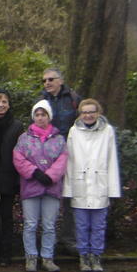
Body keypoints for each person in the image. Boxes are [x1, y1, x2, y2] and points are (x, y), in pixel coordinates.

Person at [64, 99, 121, 272]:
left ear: (98, 113)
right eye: (85, 112)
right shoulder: (74, 131)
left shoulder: (107, 131)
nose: (88, 115)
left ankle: (96, 256)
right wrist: (68, 188)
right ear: (80, 114)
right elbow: (69, 161)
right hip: (80, 184)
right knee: (81, 225)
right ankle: (83, 256)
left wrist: (112, 189)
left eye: (91, 112)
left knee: (98, 225)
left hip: (99, 184)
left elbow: (112, 160)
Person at [13, 100, 68, 272]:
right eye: (37, 114)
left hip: (51, 188)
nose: (40, 118)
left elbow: (63, 159)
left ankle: (47, 257)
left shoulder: (59, 139)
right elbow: (18, 159)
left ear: (49, 116)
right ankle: (30, 257)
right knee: (30, 224)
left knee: (49, 225)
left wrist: (50, 176)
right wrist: (35, 172)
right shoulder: (24, 138)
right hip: (31, 187)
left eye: (43, 114)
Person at [40, 68, 82, 254]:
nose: (47, 83)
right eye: (44, 80)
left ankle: (69, 239)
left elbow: (83, 122)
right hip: (48, 158)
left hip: (71, 155)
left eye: (50, 79)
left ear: (60, 81)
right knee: (49, 199)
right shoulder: (41, 101)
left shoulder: (73, 99)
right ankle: (51, 239)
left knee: (69, 198)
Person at [0, 89, 23, 267]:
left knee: (7, 215)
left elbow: (20, 152)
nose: (0, 105)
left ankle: (6, 252)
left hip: (9, 174)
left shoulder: (16, 125)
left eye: (4, 102)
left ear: (9, 105)